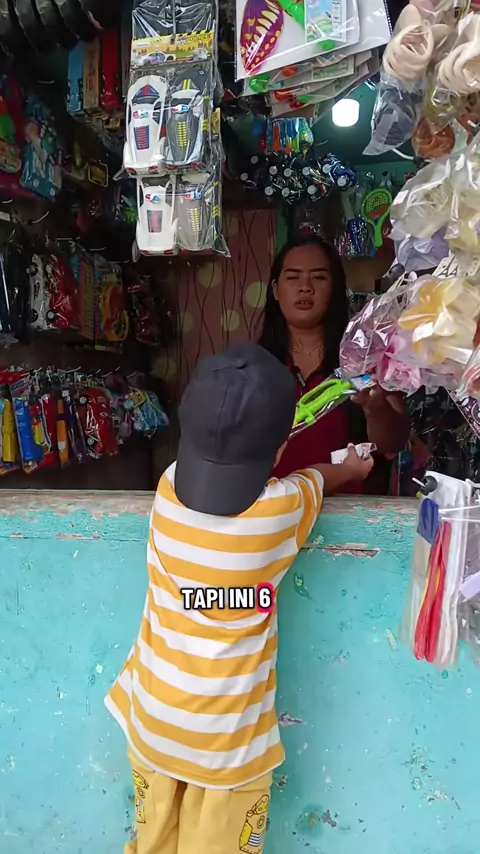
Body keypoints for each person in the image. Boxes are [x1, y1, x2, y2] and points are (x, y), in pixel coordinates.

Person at [105, 342, 373, 854]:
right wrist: (351, 467)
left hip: (152, 720)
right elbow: (317, 477)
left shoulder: (166, 491)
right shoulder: (278, 513)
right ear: (279, 450)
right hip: (226, 747)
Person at [259, 235, 410, 491]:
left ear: (336, 288)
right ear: (275, 290)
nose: (305, 287)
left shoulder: (365, 358)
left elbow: (393, 443)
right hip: (277, 509)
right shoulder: (253, 369)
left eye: (318, 277)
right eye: (293, 277)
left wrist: (375, 408)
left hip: (348, 511)